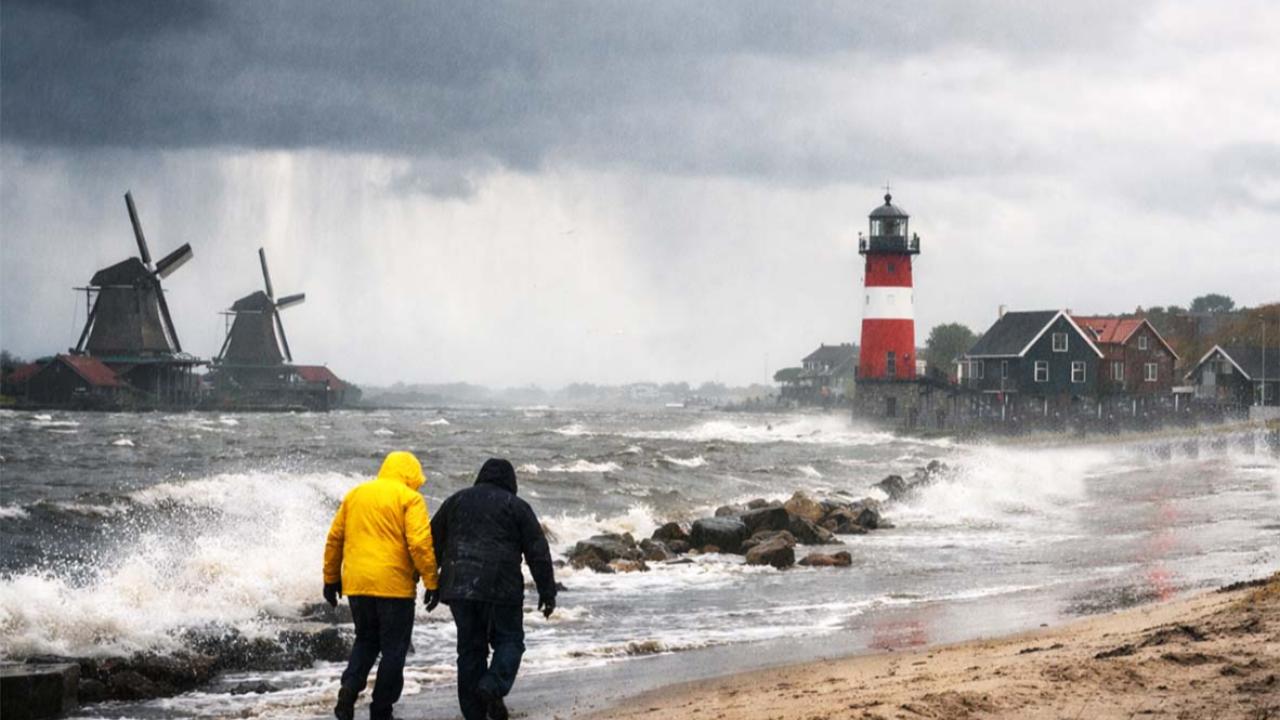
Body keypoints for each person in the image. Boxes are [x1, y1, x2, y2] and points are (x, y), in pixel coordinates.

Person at [431, 458, 556, 720]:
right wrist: (547, 591)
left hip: (459, 587)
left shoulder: (455, 501)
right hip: (501, 586)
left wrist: (431, 584)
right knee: (509, 641)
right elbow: (538, 552)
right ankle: (492, 686)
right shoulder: (517, 506)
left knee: (470, 649)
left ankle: (473, 712)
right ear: (511, 481)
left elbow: (431, 543)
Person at [323, 450, 439, 720]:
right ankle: (381, 710)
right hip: (394, 587)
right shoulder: (410, 498)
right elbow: (419, 544)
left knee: (365, 640)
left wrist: (330, 579)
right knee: (394, 650)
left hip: (357, 584)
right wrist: (431, 581)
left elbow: (335, 538)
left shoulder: (356, 494)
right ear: (411, 475)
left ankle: (349, 690)